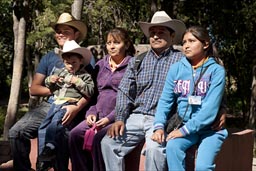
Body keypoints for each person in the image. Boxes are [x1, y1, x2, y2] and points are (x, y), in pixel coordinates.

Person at [101, 11, 226, 171]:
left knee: (155, 149)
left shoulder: (183, 61)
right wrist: (120, 118)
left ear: (172, 36)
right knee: (108, 143)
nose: (155, 36)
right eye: (152, 33)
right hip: (136, 116)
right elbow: (125, 91)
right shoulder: (138, 60)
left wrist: (222, 108)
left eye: (161, 32)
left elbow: (210, 88)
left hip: (163, 118)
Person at [8, 12, 91, 171]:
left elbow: (91, 90)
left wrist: (76, 107)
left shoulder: (84, 57)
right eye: (58, 31)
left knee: (59, 134)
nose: (61, 34)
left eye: (66, 31)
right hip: (49, 104)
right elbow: (34, 88)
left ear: (76, 34)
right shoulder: (48, 57)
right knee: (16, 132)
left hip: (71, 106)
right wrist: (56, 89)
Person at [152, 25, 228, 171]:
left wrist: (184, 131)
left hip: (210, 129)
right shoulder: (176, 69)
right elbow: (165, 101)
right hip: (184, 125)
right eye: (184, 42)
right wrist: (159, 126)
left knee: (202, 167)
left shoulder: (216, 71)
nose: (186, 46)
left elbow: (210, 109)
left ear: (205, 44)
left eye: (191, 41)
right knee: (173, 147)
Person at [69, 27, 136, 171]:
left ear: (126, 44)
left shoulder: (133, 65)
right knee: (74, 135)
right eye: (108, 43)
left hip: (119, 117)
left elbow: (131, 99)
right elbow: (93, 95)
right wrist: (91, 113)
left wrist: (110, 118)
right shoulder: (100, 65)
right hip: (97, 115)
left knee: (100, 138)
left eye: (116, 42)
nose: (111, 46)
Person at [36, 40, 94, 168]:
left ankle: (50, 146)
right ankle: (44, 156)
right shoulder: (60, 72)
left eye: (74, 62)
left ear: (81, 61)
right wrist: (50, 80)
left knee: (55, 124)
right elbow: (48, 85)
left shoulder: (84, 76)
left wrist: (77, 81)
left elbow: (90, 91)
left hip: (69, 103)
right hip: (56, 102)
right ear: (64, 62)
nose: (71, 66)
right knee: (43, 126)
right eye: (68, 63)